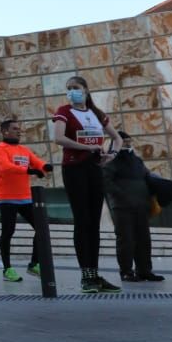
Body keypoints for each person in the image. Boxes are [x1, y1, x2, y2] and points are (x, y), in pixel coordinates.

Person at [51, 74, 123, 293]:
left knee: (93, 223)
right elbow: (59, 138)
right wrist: (86, 148)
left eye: (76, 87)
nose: (72, 91)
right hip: (74, 169)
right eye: (68, 88)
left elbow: (117, 138)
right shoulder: (64, 111)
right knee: (82, 220)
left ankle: (94, 274)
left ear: (86, 90)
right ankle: (86, 276)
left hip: (94, 169)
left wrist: (111, 154)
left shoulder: (96, 114)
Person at [0, 121, 52, 284]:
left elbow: (35, 161)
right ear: (5, 132)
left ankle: (33, 263)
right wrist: (29, 170)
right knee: (8, 232)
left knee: (41, 228)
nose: (19, 132)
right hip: (7, 198)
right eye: (15, 129)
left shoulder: (23, 150)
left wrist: (45, 166)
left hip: (25, 197)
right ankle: (7, 269)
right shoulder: (0, 149)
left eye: (20, 129)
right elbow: (4, 167)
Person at [104, 132, 165, 283]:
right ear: (115, 143)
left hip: (141, 205)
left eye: (128, 141)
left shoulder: (137, 160)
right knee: (126, 240)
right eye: (124, 141)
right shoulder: (111, 160)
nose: (128, 144)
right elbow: (106, 182)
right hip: (122, 207)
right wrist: (123, 196)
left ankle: (144, 271)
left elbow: (146, 177)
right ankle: (126, 272)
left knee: (144, 239)